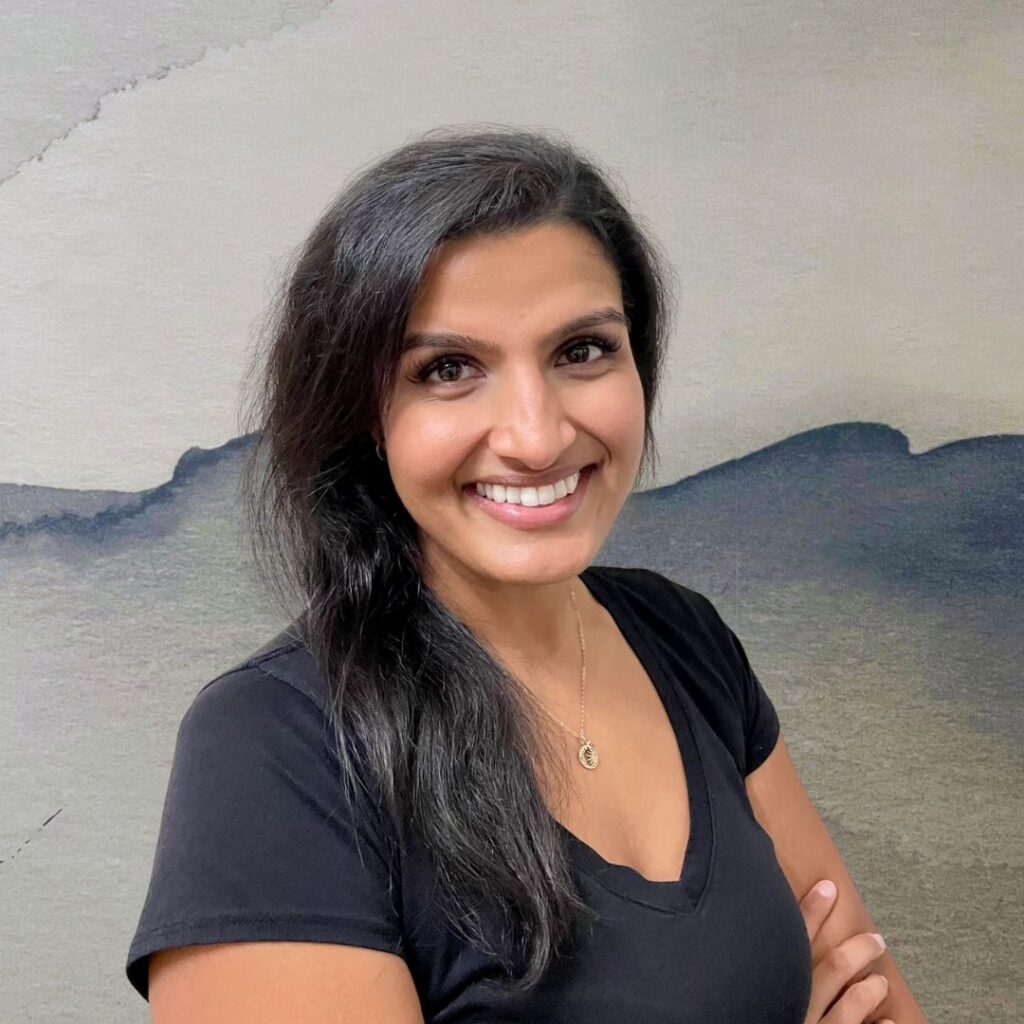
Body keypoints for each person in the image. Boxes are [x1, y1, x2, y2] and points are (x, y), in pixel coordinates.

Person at [125, 125, 925, 1022]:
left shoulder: (685, 639)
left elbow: (876, 995)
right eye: (449, 369)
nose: (537, 436)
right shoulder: (276, 746)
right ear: (364, 416)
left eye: (582, 351)